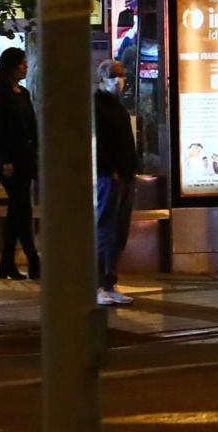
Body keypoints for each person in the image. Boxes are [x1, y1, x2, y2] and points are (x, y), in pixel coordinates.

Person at [0, 47, 40, 281]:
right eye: (22, 63)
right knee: (20, 208)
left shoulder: (24, 93)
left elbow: (31, 124)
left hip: (26, 157)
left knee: (18, 210)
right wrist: (6, 159)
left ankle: (7, 263)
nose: (25, 66)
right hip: (8, 158)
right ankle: (33, 260)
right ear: (11, 66)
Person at [93, 59, 139, 307]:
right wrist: (109, 170)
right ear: (102, 78)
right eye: (113, 75)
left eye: (121, 75)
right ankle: (98, 284)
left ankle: (110, 282)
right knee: (105, 230)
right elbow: (98, 142)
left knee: (119, 232)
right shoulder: (97, 105)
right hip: (109, 177)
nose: (118, 80)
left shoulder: (118, 107)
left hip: (125, 176)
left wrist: (131, 170)